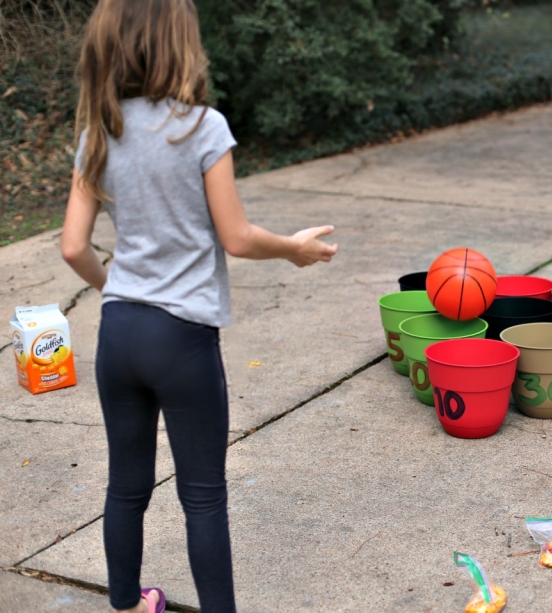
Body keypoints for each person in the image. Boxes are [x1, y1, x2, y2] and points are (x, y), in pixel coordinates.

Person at [60, 0, 338, 611]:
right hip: (181, 338)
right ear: (179, 42)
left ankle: (129, 603)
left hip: (120, 332)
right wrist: (293, 249)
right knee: (204, 495)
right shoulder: (201, 127)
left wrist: (117, 289)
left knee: (125, 487)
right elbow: (236, 237)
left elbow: (73, 247)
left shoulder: (97, 136)